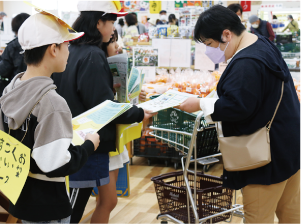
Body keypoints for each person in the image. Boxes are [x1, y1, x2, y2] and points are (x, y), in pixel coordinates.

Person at [178, 5, 301, 224]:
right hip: (289, 145)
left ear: (227, 34)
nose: (209, 50)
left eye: (209, 44)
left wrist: (199, 103)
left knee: (258, 217)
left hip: (265, 157)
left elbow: (238, 106)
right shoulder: (260, 43)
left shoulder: (247, 62)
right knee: (290, 212)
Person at [51, 1, 153, 224]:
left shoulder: (71, 49)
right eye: (111, 23)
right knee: (72, 209)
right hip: (86, 140)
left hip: (69, 136)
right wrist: (138, 113)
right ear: (98, 22)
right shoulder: (92, 55)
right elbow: (103, 107)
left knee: (75, 203)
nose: (113, 30)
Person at [0, 9, 100, 224]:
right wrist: (89, 145)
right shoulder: (53, 103)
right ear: (54, 49)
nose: (69, 52)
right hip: (49, 205)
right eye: (67, 45)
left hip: (20, 197)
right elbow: (55, 164)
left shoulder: (11, 89)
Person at [100, 29, 147, 217]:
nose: (118, 46)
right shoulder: (97, 71)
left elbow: (125, 101)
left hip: (118, 140)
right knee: (109, 201)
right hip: (107, 142)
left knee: (108, 201)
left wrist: (137, 96)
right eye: (113, 42)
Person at [0, 13, 30, 95]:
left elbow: (3, 71)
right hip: (35, 89)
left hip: (15, 91)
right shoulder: (38, 44)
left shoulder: (12, 46)